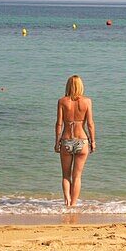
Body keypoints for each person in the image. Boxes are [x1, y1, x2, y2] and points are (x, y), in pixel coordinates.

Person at [54, 75, 96, 209]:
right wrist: (93, 141)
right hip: (82, 141)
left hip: (66, 140)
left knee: (66, 175)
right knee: (77, 176)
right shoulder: (87, 102)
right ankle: (73, 204)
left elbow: (59, 124)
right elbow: (90, 124)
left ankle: (66, 201)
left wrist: (57, 141)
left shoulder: (62, 101)